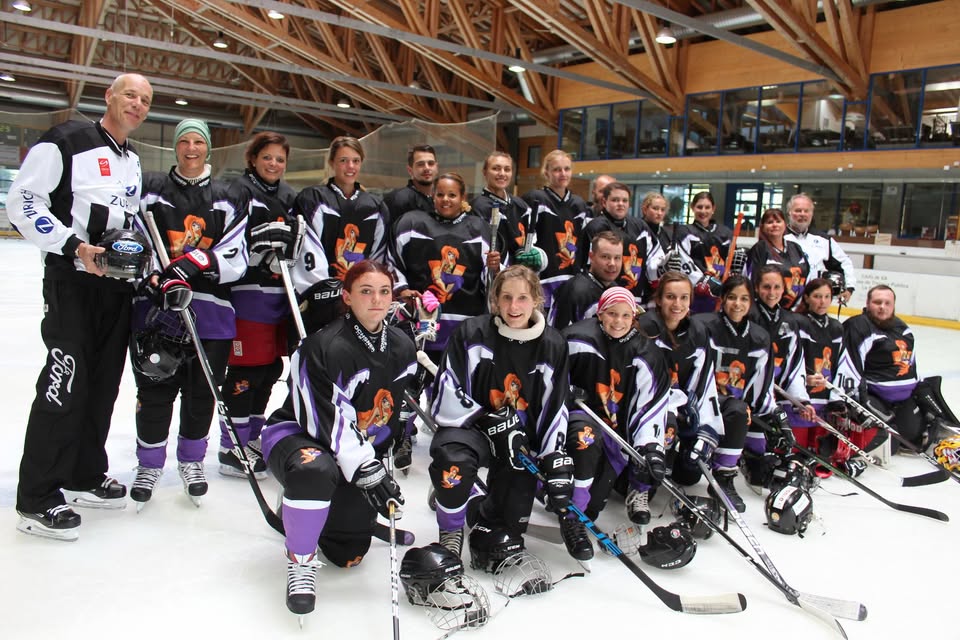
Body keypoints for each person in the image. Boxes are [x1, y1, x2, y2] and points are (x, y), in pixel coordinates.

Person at [9, 72, 153, 541]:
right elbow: (23, 202)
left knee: (103, 385)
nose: (137, 104)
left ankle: (83, 472)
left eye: (145, 99)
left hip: (115, 288)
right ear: (109, 96)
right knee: (65, 383)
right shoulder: (67, 140)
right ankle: (36, 497)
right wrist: (74, 246)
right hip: (72, 283)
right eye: (130, 94)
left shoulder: (132, 160)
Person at [259, 260, 415, 616]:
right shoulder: (321, 346)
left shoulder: (402, 346)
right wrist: (366, 469)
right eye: (366, 291)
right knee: (314, 471)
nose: (377, 300)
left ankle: (316, 513)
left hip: (352, 448)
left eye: (384, 291)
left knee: (348, 555)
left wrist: (383, 457)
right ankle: (300, 560)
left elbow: (391, 412)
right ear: (347, 296)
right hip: (299, 436)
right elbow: (322, 421)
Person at [129, 118, 249, 507]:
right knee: (154, 389)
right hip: (157, 312)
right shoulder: (151, 190)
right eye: (185, 142)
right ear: (176, 147)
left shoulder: (229, 195)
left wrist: (195, 261)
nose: (191, 148)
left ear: (208, 147)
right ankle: (149, 465)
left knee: (201, 394)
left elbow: (236, 255)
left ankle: (192, 461)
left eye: (198, 141)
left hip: (211, 315)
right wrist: (154, 277)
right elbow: (136, 239)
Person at [429, 266, 571, 569]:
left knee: (503, 531)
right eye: (506, 297)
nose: (513, 306)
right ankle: (451, 529)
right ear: (495, 299)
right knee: (453, 459)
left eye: (522, 298)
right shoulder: (472, 332)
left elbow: (555, 407)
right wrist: (486, 420)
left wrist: (552, 457)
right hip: (472, 429)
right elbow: (445, 390)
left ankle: (474, 499)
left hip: (519, 440)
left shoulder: (553, 344)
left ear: (537, 300)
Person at [562, 287, 671, 555]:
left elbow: (651, 406)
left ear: (634, 317)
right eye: (612, 314)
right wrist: (565, 391)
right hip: (580, 423)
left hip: (617, 437)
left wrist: (651, 449)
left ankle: (595, 502)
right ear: (600, 313)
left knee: (592, 509)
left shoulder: (647, 353)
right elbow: (550, 375)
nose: (618, 321)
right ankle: (571, 517)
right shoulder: (576, 338)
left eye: (625, 315)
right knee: (585, 438)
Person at [219, 132, 301, 478]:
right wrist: (254, 246)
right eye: (267, 157)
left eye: (280, 159)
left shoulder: (289, 196)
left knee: (269, 370)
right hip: (247, 295)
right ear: (252, 158)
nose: (274, 164)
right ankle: (231, 447)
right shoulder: (237, 190)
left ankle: (251, 437)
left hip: (279, 297)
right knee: (246, 371)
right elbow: (225, 240)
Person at [637, 272, 725, 523]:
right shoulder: (645, 327)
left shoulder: (698, 331)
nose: (677, 304)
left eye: (684, 297)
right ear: (659, 299)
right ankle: (640, 483)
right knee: (666, 426)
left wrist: (703, 429)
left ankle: (679, 458)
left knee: (689, 475)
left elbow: (703, 381)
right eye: (670, 297)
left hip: (682, 406)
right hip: (649, 406)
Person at [693, 275, 785, 512]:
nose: (737, 304)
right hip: (701, 401)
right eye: (732, 297)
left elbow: (762, 387)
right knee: (687, 475)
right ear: (723, 299)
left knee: (747, 413)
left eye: (744, 299)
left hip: (733, 407)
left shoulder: (759, 337)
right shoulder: (703, 326)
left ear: (751, 302)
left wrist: (774, 414)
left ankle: (725, 476)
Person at [390, 173, 498, 363]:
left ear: (463, 197)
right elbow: (392, 263)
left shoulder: (480, 229)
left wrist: (494, 269)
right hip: (422, 324)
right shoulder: (410, 224)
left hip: (466, 323)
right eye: (440, 194)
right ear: (433, 195)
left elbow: (491, 280)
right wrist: (402, 289)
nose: (445, 199)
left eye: (452, 195)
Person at [836, 285, 959, 452]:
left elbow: (910, 366)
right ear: (867, 303)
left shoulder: (902, 328)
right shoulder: (858, 326)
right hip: (874, 396)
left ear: (894, 305)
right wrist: (859, 402)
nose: (882, 307)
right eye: (877, 302)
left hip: (903, 400)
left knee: (914, 437)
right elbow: (849, 368)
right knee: (889, 445)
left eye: (887, 303)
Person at [290, 136, 389, 334]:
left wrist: (367, 290)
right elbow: (307, 249)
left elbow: (378, 256)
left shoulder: (375, 207)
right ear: (332, 162)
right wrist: (325, 291)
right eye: (343, 160)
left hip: (360, 301)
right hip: (320, 301)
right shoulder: (312, 199)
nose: (350, 166)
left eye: (355, 161)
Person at [744, 266, 814, 489]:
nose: (772, 292)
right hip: (751, 394)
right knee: (758, 452)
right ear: (757, 288)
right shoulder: (748, 315)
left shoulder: (790, 321)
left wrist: (800, 399)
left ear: (784, 289)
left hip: (777, 393)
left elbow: (795, 364)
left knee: (782, 444)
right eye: (766, 287)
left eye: (777, 287)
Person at [520, 150, 589, 314]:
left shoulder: (579, 204)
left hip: (572, 281)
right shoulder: (535, 198)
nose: (563, 174)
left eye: (567, 169)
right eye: (557, 169)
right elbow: (525, 239)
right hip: (542, 280)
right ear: (546, 173)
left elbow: (584, 244)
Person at [576, 181, 653, 302]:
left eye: (624, 200)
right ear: (604, 202)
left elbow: (654, 257)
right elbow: (589, 267)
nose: (620, 204)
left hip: (636, 297)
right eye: (615, 200)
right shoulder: (596, 226)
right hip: (603, 297)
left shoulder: (640, 226)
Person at [784, 193, 856, 304]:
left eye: (806, 211)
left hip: (815, 302)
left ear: (812, 214)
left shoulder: (824, 240)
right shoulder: (778, 237)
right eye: (798, 210)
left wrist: (849, 287)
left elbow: (845, 262)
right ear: (789, 212)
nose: (802, 214)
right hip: (785, 300)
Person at [547, 230, 623, 330]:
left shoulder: (615, 289)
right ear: (591, 257)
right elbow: (560, 335)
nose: (612, 263)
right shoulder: (575, 291)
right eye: (605, 257)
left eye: (617, 258)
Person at [679, 192, 735, 314]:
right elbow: (683, 260)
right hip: (696, 291)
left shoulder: (725, 233)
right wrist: (703, 281)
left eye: (707, 207)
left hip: (720, 292)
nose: (703, 211)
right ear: (692, 207)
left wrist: (731, 275)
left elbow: (730, 260)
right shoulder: (685, 232)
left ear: (713, 208)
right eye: (699, 207)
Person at [469, 151, 528, 265]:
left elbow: (531, 240)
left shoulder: (521, 205)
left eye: (507, 169)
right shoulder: (477, 207)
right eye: (496, 168)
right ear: (485, 172)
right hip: (492, 273)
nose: (502, 173)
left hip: (520, 272)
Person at [746, 207, 810, 310]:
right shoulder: (760, 249)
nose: (775, 225)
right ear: (763, 227)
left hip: (795, 309)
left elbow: (807, 274)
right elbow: (753, 282)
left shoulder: (795, 247)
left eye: (778, 221)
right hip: (766, 309)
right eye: (770, 222)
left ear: (785, 224)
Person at [641, 191, 699, 305]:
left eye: (662, 210)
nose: (659, 213)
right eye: (655, 208)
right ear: (645, 209)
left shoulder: (667, 234)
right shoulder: (638, 231)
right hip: (642, 289)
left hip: (662, 291)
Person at [383, 143, 437, 230]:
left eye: (431, 163)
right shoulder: (397, 200)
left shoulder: (443, 199)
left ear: (436, 167)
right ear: (410, 170)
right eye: (420, 164)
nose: (427, 168)